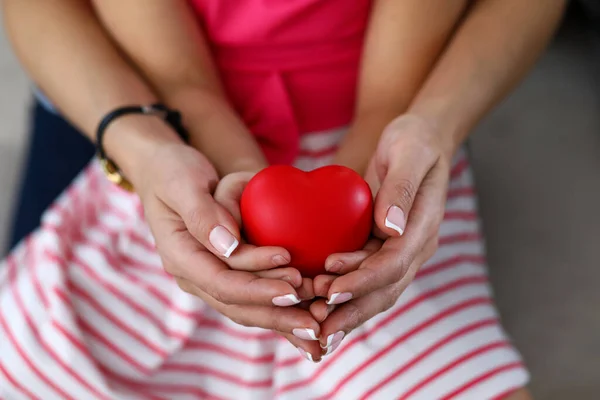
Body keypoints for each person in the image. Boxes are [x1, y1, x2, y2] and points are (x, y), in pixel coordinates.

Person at [0, 0, 565, 399]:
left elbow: (391, 94)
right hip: (165, 128)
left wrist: (430, 128)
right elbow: (180, 82)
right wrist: (151, 155)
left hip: (392, 141)